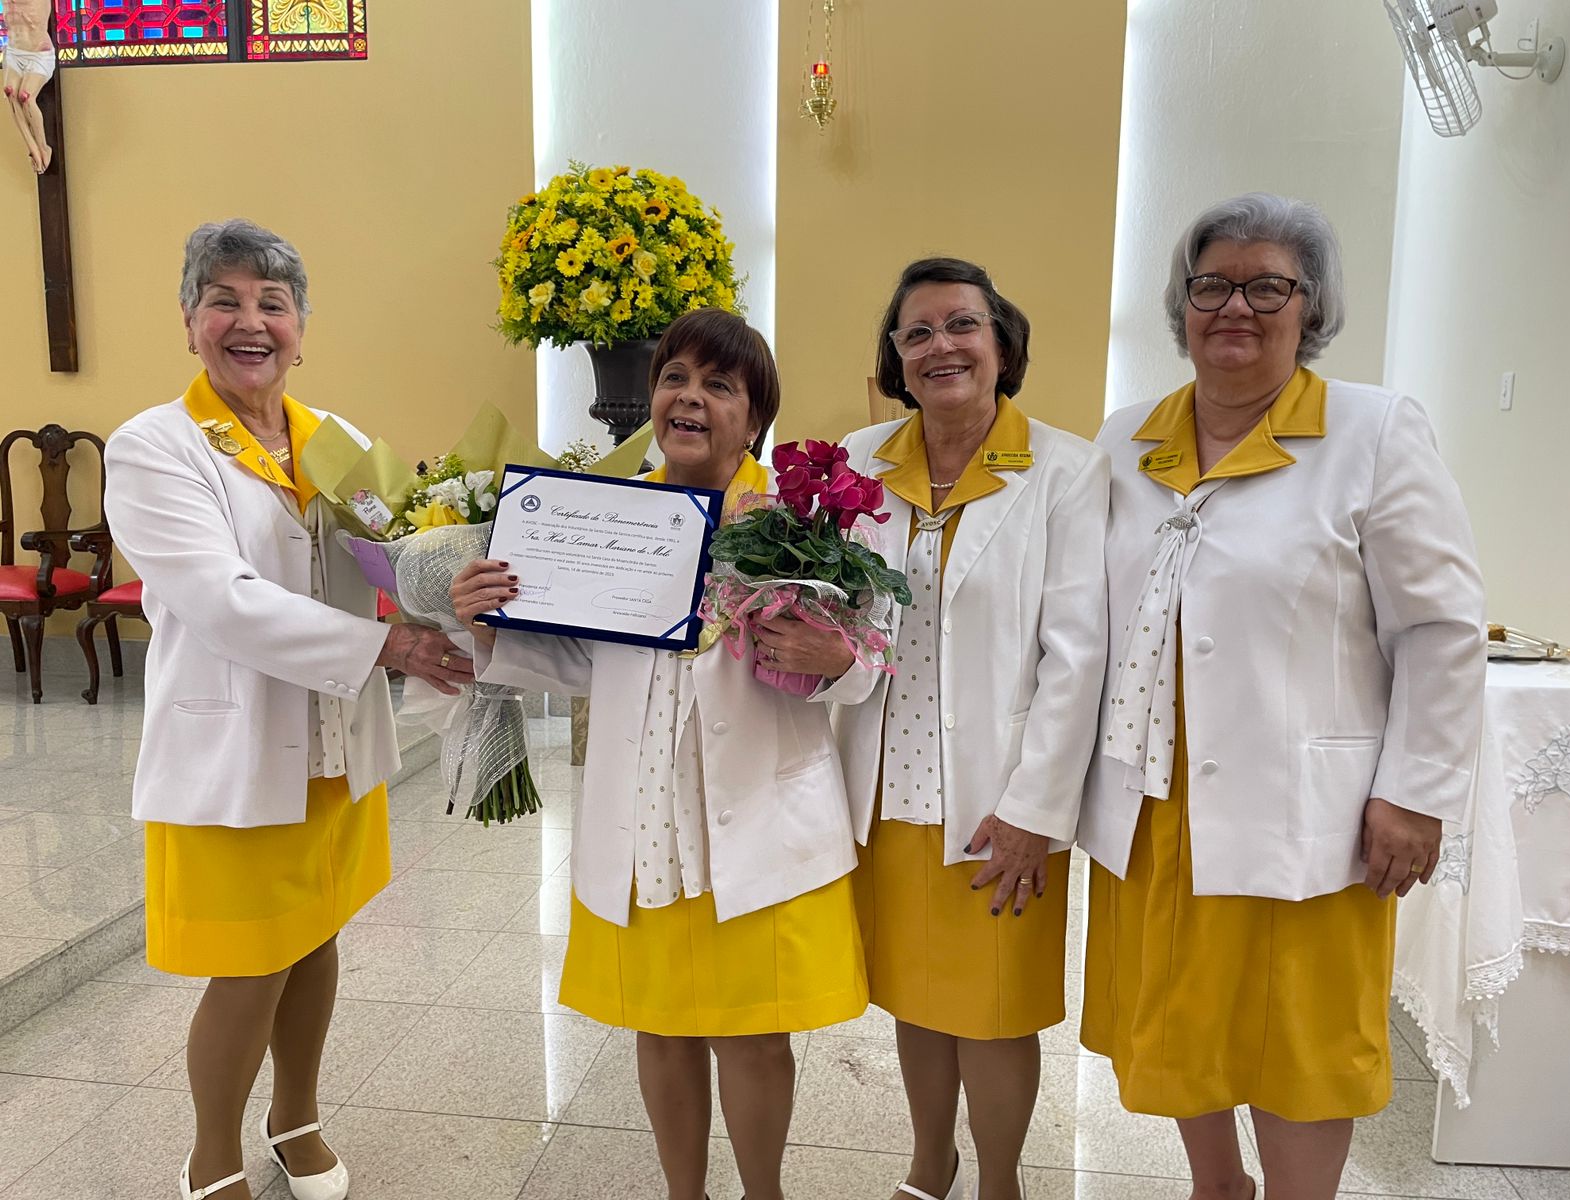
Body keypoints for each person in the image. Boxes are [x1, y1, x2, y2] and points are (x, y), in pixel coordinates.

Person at [1077, 193, 1485, 1200]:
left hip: (1307, 807)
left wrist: (1416, 791)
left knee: (1301, 1040)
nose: (1235, 307)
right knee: (1179, 1017)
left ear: (1311, 307)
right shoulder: (1125, 440)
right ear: (1181, 306)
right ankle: (1217, 1186)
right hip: (1153, 797)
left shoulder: (1371, 431)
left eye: (1268, 287)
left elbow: (1439, 627)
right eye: (1211, 284)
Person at [449, 307, 869, 1200]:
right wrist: (490, 623)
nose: (690, 398)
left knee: (753, 1034)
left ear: (755, 420)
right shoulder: (610, 517)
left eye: (720, 385)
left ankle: (762, 1194)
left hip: (755, 821)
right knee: (662, 1027)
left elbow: (870, 657)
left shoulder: (804, 520)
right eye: (675, 377)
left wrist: (837, 660)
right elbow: (580, 660)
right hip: (646, 818)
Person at [105, 219, 473, 1200]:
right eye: (223, 300)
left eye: (272, 303)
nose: (250, 321)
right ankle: (212, 1157)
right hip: (235, 750)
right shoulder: (156, 447)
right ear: (190, 322)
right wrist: (389, 646)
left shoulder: (333, 441)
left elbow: (405, 556)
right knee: (249, 968)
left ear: (301, 329)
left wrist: (470, 601)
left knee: (315, 939)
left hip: (332, 747)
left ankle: (296, 1117)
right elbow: (222, 599)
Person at [819, 257, 1110, 1200]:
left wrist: (1037, 809)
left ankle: (999, 1182)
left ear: (1002, 345)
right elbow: (837, 614)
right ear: (896, 361)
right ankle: (927, 1162)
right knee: (916, 994)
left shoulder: (1066, 469)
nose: (940, 345)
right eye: (917, 333)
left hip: (999, 797)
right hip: (887, 786)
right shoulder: (862, 460)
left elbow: (1078, 656)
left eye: (961, 325)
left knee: (993, 1010)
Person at [2, 0, 57, 174]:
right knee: (10, 93)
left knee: (25, 97)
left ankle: (43, 147)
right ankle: (32, 147)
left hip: (38, 53)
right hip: (14, 51)